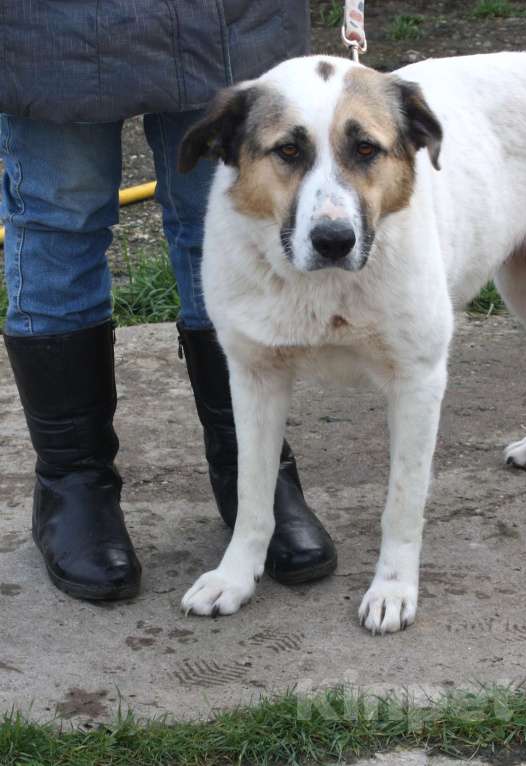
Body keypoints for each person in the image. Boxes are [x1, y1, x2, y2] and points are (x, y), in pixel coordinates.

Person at [0, 1, 337, 601]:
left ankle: (253, 474)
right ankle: (73, 484)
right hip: (52, 24)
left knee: (223, 217)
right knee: (60, 214)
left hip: (221, 20)